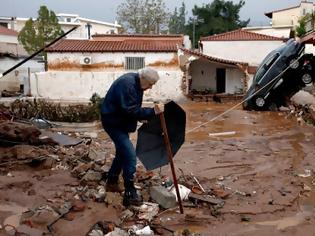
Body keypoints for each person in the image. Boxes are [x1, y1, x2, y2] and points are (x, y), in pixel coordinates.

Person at [100, 67, 164, 206]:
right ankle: (130, 191)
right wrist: (151, 112)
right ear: (144, 79)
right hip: (113, 122)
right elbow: (129, 110)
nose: (150, 88)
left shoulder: (135, 83)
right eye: (151, 84)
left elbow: (130, 108)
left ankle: (111, 180)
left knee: (122, 153)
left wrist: (142, 116)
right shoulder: (128, 84)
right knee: (130, 155)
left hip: (119, 121)